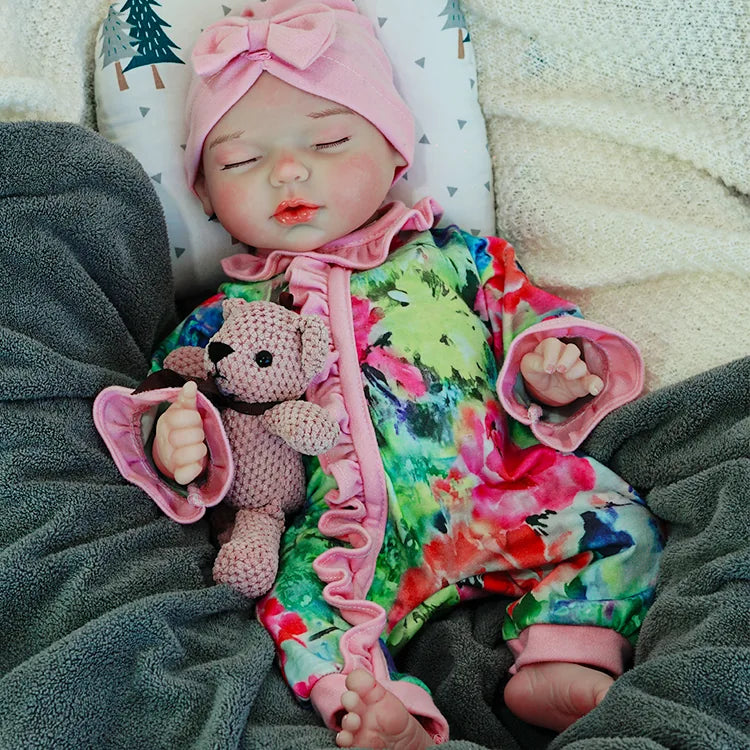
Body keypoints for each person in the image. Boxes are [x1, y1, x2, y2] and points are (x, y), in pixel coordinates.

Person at [109, 1, 664, 747]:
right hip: (346, 531)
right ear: (206, 197)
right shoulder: (231, 309)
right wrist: (178, 432)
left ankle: (566, 654)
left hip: (496, 488)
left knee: (618, 520)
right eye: (240, 160)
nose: (290, 170)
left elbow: (530, 317)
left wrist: (551, 367)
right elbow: (174, 383)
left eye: (331, 140)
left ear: (397, 156)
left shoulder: (458, 256)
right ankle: (372, 708)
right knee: (295, 615)